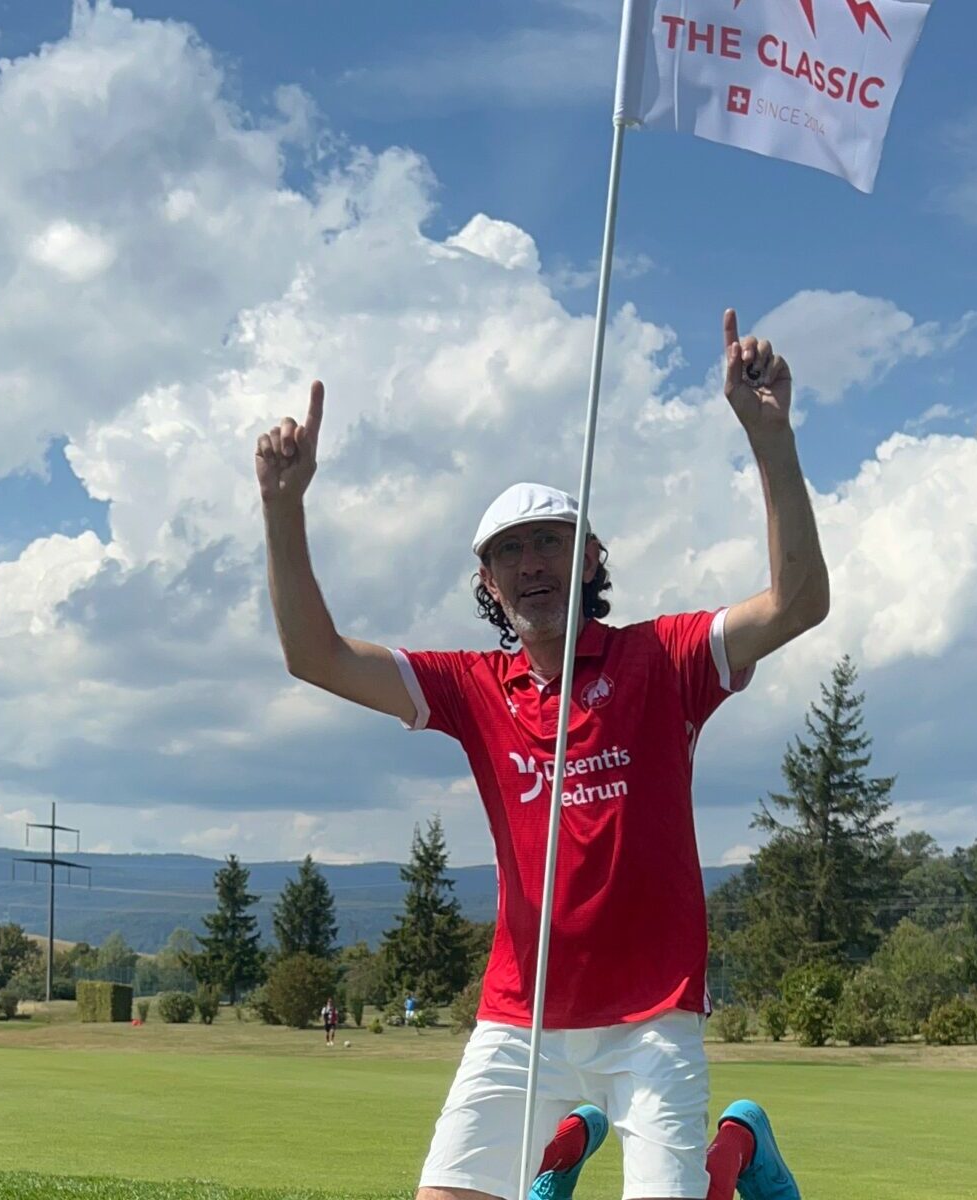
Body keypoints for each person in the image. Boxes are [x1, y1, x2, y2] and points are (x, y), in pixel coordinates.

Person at [256, 309, 827, 1200]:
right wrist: (282, 510)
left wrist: (770, 439)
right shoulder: (473, 685)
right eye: (509, 553)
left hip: (653, 1020)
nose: (530, 563)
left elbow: (797, 604)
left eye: (550, 542)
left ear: (590, 556)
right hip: (519, 1018)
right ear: (487, 582)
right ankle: (577, 1157)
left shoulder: (663, 658)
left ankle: (738, 1153)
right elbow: (313, 656)